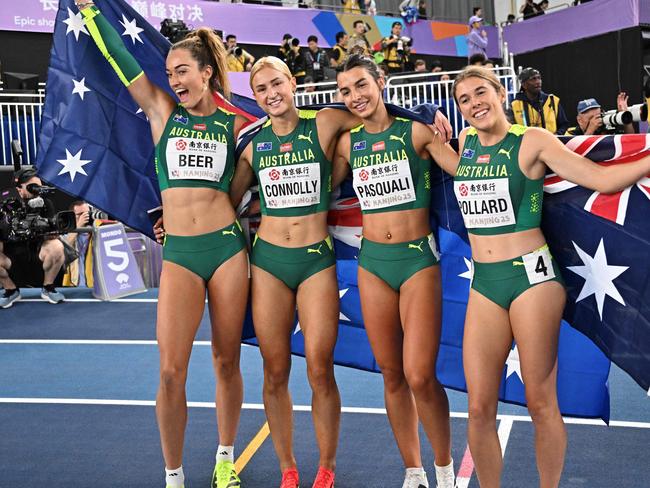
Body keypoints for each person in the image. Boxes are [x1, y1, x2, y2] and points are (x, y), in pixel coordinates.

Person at [427, 65, 650, 488]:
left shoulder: (531, 141)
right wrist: (422, 120)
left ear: (500, 93)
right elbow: (449, 163)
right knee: (478, 407)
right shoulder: (468, 144)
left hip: (533, 280)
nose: (474, 104)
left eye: (481, 93)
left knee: (540, 400)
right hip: (485, 282)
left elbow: (601, 180)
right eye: (464, 100)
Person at [77, 2, 250, 488]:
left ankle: (224, 457)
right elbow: (122, 60)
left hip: (226, 250)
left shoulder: (237, 126)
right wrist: (92, 15)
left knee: (225, 359)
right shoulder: (162, 114)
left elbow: (299, 134)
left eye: (183, 71)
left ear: (208, 73)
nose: (174, 80)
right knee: (171, 370)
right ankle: (173, 474)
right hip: (180, 255)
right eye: (170, 71)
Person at [229, 56, 363, 488]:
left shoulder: (323, 123)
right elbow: (221, 201)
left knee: (321, 368)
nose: (271, 94)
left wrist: (424, 115)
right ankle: (288, 468)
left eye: (277, 84)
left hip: (314, 260)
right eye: (262, 89)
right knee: (274, 370)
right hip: (268, 262)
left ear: (292, 82)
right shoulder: (252, 144)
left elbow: (372, 108)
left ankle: (327, 467)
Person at [333, 54, 455, 488]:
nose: (354, 96)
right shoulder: (347, 144)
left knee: (420, 374)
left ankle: (445, 469)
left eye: (361, 85)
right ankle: (414, 471)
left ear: (380, 81)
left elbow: (465, 170)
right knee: (391, 373)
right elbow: (308, 186)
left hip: (417, 261)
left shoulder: (417, 131)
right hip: (373, 266)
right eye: (345, 91)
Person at [0, 168, 66, 308]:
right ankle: (10, 290)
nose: (37, 191)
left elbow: (52, 235)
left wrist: (51, 231)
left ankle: (48, 288)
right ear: (19, 188)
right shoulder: (4, 205)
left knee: (57, 246)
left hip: (37, 256)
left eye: (39, 187)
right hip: (11, 259)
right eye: (32, 187)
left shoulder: (45, 203)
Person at [509, 67, 570, 135]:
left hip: (551, 143)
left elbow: (564, 125)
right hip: (527, 144)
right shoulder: (515, 105)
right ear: (524, 85)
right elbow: (512, 130)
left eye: (539, 78)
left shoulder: (552, 100)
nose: (538, 82)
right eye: (533, 79)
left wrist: (556, 136)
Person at [62, 200, 96, 287]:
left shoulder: (96, 231)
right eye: (80, 214)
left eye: (87, 213)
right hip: (74, 285)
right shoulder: (66, 232)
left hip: (94, 285)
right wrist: (79, 225)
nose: (85, 217)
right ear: (72, 216)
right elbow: (64, 246)